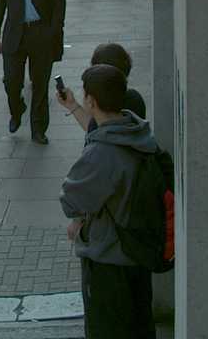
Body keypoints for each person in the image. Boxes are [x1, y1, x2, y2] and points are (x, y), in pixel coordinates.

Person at [58, 64, 158, 339]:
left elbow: (71, 199)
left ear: (92, 100)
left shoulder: (101, 153)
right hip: (139, 253)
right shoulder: (139, 135)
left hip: (109, 261)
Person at [0, 0, 66, 144]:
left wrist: (53, 32)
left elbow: (59, 7)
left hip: (40, 32)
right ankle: (17, 110)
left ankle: (38, 128)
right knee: (11, 81)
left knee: (40, 83)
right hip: (15, 33)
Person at [64, 44, 147, 135]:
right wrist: (72, 104)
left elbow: (96, 130)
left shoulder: (98, 146)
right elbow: (95, 129)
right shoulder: (134, 97)